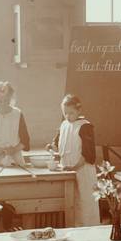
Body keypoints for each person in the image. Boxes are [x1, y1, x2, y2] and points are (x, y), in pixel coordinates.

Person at [49, 94, 100, 225]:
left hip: (83, 172)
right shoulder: (64, 125)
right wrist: (51, 147)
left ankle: (89, 234)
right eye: (65, 113)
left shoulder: (85, 126)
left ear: (79, 110)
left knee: (85, 205)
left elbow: (88, 155)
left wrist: (74, 167)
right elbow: (57, 145)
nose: (68, 116)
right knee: (70, 205)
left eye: (71, 113)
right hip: (67, 172)